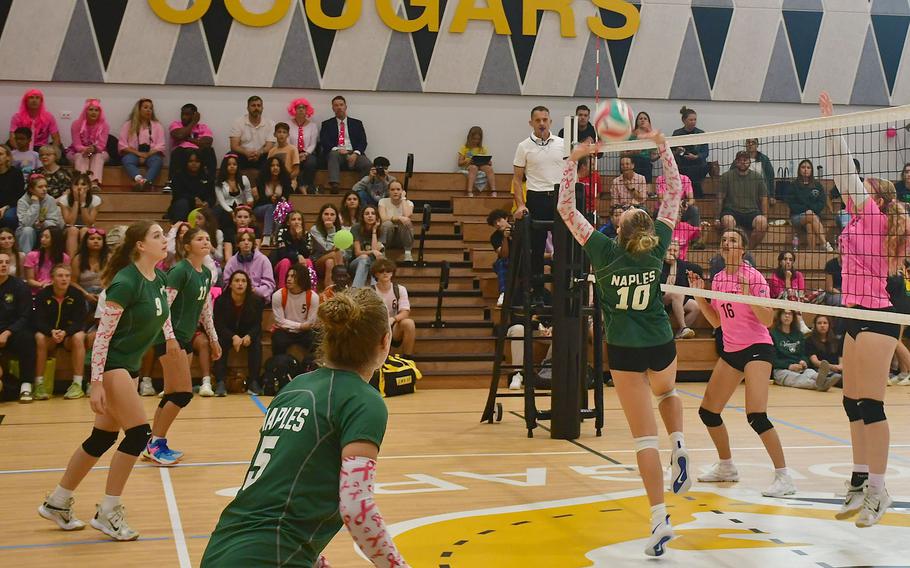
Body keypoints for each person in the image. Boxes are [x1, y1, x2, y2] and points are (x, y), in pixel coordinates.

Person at [202, 286, 406, 567]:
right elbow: (357, 506)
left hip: (223, 548)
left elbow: (278, 485)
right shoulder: (364, 401)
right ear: (385, 341)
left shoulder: (294, 387)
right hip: (270, 556)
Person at [557, 132, 689, 557]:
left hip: (626, 350)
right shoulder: (658, 247)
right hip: (661, 341)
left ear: (619, 228)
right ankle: (682, 444)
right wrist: (661, 147)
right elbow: (675, 191)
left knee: (643, 442)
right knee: (668, 392)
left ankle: (657, 520)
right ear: (646, 228)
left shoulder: (602, 250)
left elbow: (565, 208)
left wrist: (574, 157)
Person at [39, 220, 171, 541]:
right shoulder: (125, 283)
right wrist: (96, 382)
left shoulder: (159, 278)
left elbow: (160, 317)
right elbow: (101, 337)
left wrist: (173, 346)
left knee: (101, 439)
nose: (164, 239)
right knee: (139, 434)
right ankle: (109, 511)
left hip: (129, 366)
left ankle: (58, 501)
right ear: (140, 245)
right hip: (112, 366)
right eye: (156, 236)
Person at [820, 91, 907, 526]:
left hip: (879, 313)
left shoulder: (872, 215)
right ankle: (858, 482)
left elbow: (842, 172)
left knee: (871, 404)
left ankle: (879, 489)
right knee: (851, 402)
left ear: (879, 198)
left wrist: (833, 129)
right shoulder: (857, 221)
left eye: (867, 187)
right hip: (855, 312)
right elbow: (844, 178)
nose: (859, 189)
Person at [688, 228, 797, 497]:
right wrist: (700, 295)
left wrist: (749, 294)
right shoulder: (719, 278)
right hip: (732, 349)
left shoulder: (754, 277)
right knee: (708, 412)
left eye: (733, 240)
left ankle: (784, 477)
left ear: (743, 249)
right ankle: (726, 467)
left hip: (758, 349)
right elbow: (717, 322)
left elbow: (767, 320)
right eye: (723, 239)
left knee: (756, 416)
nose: (726, 243)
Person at [143, 227, 220, 464]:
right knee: (183, 394)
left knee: (173, 393)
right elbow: (163, 308)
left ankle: (153, 444)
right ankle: (156, 443)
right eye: (199, 239)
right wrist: (170, 338)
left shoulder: (205, 273)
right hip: (170, 338)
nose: (205, 241)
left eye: (207, 238)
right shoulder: (179, 271)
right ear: (187, 246)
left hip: (184, 338)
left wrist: (214, 338)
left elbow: (205, 309)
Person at [513, 106, 565, 300]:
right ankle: (537, 291)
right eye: (538, 120)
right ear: (531, 123)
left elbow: (572, 171)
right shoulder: (523, 146)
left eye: (545, 119)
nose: (542, 123)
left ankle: (563, 289)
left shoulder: (562, 144)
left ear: (550, 121)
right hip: (536, 197)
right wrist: (520, 204)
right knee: (537, 246)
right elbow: (517, 179)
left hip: (559, 197)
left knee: (564, 245)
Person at [33, 264, 88, 401]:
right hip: (49, 335)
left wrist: (65, 332)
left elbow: (80, 321)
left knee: (79, 337)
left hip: (68, 336)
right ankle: (39, 385)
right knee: (39, 337)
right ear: (52, 278)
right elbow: (37, 321)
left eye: (67, 276)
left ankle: (77, 384)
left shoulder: (77, 295)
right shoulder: (42, 295)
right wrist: (51, 331)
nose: (64, 279)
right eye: (60, 276)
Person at [213, 270, 264, 396]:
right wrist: (233, 337)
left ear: (247, 284)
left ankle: (253, 382)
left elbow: (257, 325)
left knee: (256, 343)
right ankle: (220, 382)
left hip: (247, 333)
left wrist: (249, 336)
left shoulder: (256, 301)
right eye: (236, 281)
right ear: (230, 284)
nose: (240, 284)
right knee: (219, 342)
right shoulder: (220, 301)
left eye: (243, 281)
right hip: (227, 334)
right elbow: (219, 325)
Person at [770, 309, 836, 391]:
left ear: (794, 317)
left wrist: (803, 362)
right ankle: (820, 384)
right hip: (781, 370)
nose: (787, 316)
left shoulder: (799, 334)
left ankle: (825, 379)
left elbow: (804, 354)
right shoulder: (773, 334)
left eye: (790, 314)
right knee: (796, 378)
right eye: (784, 313)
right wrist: (789, 366)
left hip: (799, 368)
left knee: (810, 372)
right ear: (779, 316)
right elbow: (772, 359)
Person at [0, 252, 36, 402]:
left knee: (27, 338)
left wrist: (7, 332)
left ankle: (26, 385)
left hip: (13, 331)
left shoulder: (19, 286)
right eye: (0, 262)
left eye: (6, 262)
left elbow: (25, 316)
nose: (3, 265)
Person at [717, 150, 769, 248]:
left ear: (750, 162)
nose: (743, 162)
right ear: (736, 162)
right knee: (728, 220)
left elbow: (764, 198)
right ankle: (732, 249)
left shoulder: (757, 177)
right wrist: (716, 218)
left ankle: (747, 250)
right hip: (731, 210)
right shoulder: (726, 176)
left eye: (745, 160)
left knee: (762, 222)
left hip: (752, 211)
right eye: (740, 160)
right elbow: (720, 198)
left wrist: (765, 216)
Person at [319, 95, 371, 193]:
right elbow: (324, 141)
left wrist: (355, 154)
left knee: (367, 164)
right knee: (333, 155)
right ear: (333, 108)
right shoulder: (327, 124)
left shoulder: (357, 123)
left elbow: (363, 141)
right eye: (336, 105)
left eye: (341, 105)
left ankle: (361, 188)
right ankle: (334, 185)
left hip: (353, 152)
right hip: (337, 152)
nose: (339, 107)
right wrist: (337, 149)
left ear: (345, 107)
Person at [270, 263, 318, 361]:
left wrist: (303, 327)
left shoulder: (313, 297)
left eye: (293, 276)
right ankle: (280, 367)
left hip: (305, 332)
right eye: (288, 275)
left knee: (316, 339)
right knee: (278, 340)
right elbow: (280, 321)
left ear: (302, 278)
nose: (288, 279)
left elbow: (311, 322)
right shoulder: (278, 295)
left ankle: (311, 367)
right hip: (285, 331)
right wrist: (300, 326)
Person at [371, 258, 415, 359]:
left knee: (409, 323)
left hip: (393, 326)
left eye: (388, 271)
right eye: (381, 271)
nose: (385, 273)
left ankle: (407, 360)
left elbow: (405, 312)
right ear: (376, 274)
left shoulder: (400, 289)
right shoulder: (370, 291)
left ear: (392, 273)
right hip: (376, 326)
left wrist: (392, 319)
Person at [118, 99, 166, 191]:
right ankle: (140, 180)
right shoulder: (128, 125)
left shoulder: (157, 125)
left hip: (151, 154)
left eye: (151, 108)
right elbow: (122, 145)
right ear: (138, 110)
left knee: (158, 161)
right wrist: (139, 154)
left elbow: (161, 145)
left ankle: (147, 181)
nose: (149, 110)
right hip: (134, 154)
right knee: (126, 159)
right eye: (145, 107)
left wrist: (147, 154)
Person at [785, 159, 833, 251]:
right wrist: (807, 209)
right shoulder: (793, 185)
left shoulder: (817, 185)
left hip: (814, 217)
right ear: (799, 170)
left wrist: (810, 210)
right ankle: (824, 243)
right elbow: (792, 205)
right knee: (810, 215)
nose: (806, 170)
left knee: (809, 225)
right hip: (797, 217)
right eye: (803, 167)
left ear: (811, 170)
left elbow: (821, 203)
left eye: (808, 167)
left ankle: (811, 252)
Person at [214, 154, 254, 257]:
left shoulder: (244, 179)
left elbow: (248, 195)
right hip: (226, 208)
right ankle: (226, 239)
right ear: (225, 167)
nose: (232, 166)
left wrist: (250, 202)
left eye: (234, 164)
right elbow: (221, 201)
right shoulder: (219, 182)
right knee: (221, 213)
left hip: (240, 206)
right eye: (229, 164)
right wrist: (231, 212)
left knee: (243, 214)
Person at [223, 229, 276, 303]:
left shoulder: (263, 260)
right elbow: (227, 283)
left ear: (253, 243)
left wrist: (255, 290)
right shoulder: (231, 262)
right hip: (236, 296)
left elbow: (269, 285)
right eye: (243, 240)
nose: (246, 243)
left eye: (249, 240)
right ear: (238, 244)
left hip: (256, 297)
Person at [168, 103, 216, 183]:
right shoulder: (176, 124)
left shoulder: (203, 127)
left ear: (195, 115)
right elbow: (179, 135)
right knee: (177, 151)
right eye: (182, 114)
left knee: (210, 151)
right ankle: (172, 182)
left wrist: (187, 138)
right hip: (182, 152)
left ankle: (210, 182)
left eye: (187, 114)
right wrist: (193, 122)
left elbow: (207, 143)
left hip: (199, 152)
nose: (184, 117)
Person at [661, 240, 700, 339]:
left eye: (675, 250)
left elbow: (682, 286)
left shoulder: (681, 265)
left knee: (695, 307)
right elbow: (662, 285)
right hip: (660, 297)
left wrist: (674, 265)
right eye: (669, 250)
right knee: (676, 294)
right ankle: (683, 327)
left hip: (676, 299)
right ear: (664, 251)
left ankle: (679, 334)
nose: (672, 252)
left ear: (679, 252)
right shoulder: (659, 263)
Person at [58, 173, 102, 258]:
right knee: (73, 230)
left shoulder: (96, 200)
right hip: (68, 229)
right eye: (76, 184)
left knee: (85, 230)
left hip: (88, 228)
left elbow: (88, 223)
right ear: (71, 187)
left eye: (83, 184)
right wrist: (76, 201)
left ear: (89, 187)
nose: (79, 187)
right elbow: (70, 222)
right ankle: (71, 262)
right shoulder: (64, 200)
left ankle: (83, 261)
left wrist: (83, 202)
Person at [66, 98, 109, 183]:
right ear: (85, 111)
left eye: (96, 110)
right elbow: (77, 144)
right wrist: (85, 150)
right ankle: (82, 182)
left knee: (98, 157)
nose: (93, 112)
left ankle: (94, 183)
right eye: (91, 110)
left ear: (100, 113)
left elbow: (102, 145)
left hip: (98, 151)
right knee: (81, 156)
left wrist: (94, 149)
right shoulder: (76, 124)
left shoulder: (105, 125)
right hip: (77, 151)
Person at [17, 175, 63, 255]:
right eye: (40, 187)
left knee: (51, 233)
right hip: (26, 233)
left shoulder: (50, 200)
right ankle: (27, 260)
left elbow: (55, 223)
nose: (44, 189)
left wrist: (43, 224)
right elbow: (24, 224)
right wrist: (35, 204)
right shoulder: (22, 201)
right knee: (27, 230)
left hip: (44, 230)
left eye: (45, 186)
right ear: (31, 189)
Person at [671, 106, 709, 198]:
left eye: (695, 119)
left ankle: (694, 196)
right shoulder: (677, 134)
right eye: (691, 120)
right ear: (684, 121)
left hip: (698, 164)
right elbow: (671, 152)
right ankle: (694, 195)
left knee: (697, 171)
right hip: (682, 163)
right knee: (685, 171)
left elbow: (705, 153)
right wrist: (677, 151)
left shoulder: (701, 133)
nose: (693, 122)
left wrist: (696, 157)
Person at [229, 96, 275, 172]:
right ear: (247, 108)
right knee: (230, 155)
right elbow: (234, 146)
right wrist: (246, 152)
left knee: (272, 157)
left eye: (258, 105)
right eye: (253, 105)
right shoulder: (238, 122)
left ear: (262, 108)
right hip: (243, 155)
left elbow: (269, 146)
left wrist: (259, 153)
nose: (256, 108)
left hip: (262, 155)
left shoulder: (270, 124)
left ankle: (264, 183)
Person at [271, 209, 314, 289]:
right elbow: (282, 254)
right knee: (285, 262)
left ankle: (310, 290)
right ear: (288, 223)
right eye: (293, 219)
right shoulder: (282, 232)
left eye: (299, 219)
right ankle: (282, 290)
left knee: (308, 261)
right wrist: (297, 256)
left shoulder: (306, 234)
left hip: (298, 264)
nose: (297, 222)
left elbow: (307, 254)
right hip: (282, 264)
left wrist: (299, 238)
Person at [167, 150, 214, 223]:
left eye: (197, 161)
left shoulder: (207, 177)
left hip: (202, 207)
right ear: (186, 162)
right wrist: (194, 199)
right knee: (182, 203)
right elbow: (178, 194)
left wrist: (207, 203)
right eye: (191, 161)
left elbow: (212, 196)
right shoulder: (178, 176)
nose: (194, 164)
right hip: (184, 206)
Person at [9, 89, 61, 153]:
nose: (34, 100)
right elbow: (12, 138)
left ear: (41, 101)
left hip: (41, 147)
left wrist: (51, 152)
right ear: (26, 101)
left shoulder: (49, 117)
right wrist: (21, 152)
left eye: (37, 98)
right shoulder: (17, 117)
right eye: (31, 97)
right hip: (21, 146)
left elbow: (56, 138)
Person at [253, 156, 291, 240]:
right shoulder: (261, 180)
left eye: (277, 165)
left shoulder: (285, 180)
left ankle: (276, 236)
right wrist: (270, 199)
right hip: (261, 207)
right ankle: (267, 236)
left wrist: (278, 199)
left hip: (278, 207)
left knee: (283, 207)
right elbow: (261, 199)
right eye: (272, 165)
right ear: (268, 167)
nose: (275, 168)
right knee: (271, 207)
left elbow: (286, 197)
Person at [286, 97, 319, 194]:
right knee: (295, 164)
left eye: (303, 108)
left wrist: (305, 154)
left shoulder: (313, 126)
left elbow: (313, 144)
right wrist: (296, 154)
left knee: (311, 163)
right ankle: (300, 188)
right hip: (292, 152)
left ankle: (308, 186)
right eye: (298, 107)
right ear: (294, 110)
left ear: (307, 110)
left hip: (307, 153)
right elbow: (287, 142)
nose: (301, 110)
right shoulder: (288, 124)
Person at [23, 226, 69, 294]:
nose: (42, 239)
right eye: (42, 236)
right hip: (37, 292)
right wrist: (42, 285)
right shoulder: (31, 255)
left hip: (57, 291)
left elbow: (65, 278)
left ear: (55, 239)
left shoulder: (64, 258)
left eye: (46, 237)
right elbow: (30, 280)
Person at [309, 203, 346, 289]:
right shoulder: (315, 229)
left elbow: (345, 253)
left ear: (336, 217)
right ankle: (342, 282)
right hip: (318, 261)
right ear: (321, 216)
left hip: (336, 261)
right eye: (326, 214)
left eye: (332, 214)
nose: (329, 217)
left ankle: (328, 292)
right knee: (334, 253)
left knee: (330, 261)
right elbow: (327, 248)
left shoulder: (342, 230)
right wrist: (331, 230)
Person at [379, 180, 415, 262]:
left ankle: (408, 253)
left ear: (402, 191)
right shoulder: (383, 201)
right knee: (387, 224)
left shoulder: (409, 203)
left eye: (398, 189)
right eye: (392, 190)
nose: (395, 192)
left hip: (402, 238)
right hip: (387, 236)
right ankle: (382, 251)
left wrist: (403, 199)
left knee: (406, 222)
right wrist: (398, 218)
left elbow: (407, 216)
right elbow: (383, 218)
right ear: (389, 191)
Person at [71, 227, 108, 305]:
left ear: (103, 242)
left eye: (99, 239)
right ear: (86, 242)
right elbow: (72, 282)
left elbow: (113, 280)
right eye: (92, 239)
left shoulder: (109, 258)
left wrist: (102, 295)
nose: (96, 241)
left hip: (105, 292)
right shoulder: (78, 259)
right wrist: (86, 295)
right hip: (84, 293)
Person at [458, 126, 497, 196]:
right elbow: (459, 163)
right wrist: (468, 160)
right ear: (469, 137)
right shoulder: (464, 148)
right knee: (474, 168)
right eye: (474, 139)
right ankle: (469, 191)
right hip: (469, 166)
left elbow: (486, 159)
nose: (476, 141)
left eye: (478, 139)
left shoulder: (482, 149)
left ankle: (493, 190)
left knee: (489, 168)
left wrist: (488, 162)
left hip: (481, 165)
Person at [350, 205, 383, 288]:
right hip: (356, 264)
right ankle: (355, 292)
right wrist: (372, 251)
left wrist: (374, 231)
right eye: (367, 213)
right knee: (364, 258)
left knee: (377, 259)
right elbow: (357, 253)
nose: (370, 216)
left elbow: (375, 252)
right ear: (362, 217)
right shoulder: (356, 228)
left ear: (377, 217)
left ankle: (374, 290)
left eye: (373, 213)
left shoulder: (381, 229)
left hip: (373, 265)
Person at [807, 314, 843, 387]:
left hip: (837, 370)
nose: (822, 325)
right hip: (820, 371)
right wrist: (832, 367)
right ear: (815, 325)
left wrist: (840, 367)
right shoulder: (809, 340)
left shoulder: (835, 340)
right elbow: (815, 362)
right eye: (819, 323)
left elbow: (841, 359)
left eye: (825, 323)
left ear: (829, 325)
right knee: (843, 381)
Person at [624, 111, 659, 182]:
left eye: (645, 118)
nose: (643, 120)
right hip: (633, 162)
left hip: (646, 164)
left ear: (649, 122)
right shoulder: (631, 135)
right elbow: (622, 153)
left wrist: (660, 155)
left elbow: (652, 157)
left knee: (646, 162)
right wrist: (632, 153)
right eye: (640, 118)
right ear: (637, 121)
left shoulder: (652, 137)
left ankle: (647, 190)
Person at [487, 209, 511, 306]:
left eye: (499, 220)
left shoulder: (519, 229)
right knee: (501, 263)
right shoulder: (495, 237)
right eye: (494, 223)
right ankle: (503, 292)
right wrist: (505, 238)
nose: (497, 224)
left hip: (522, 258)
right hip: (507, 260)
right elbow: (504, 254)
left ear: (506, 218)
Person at [267, 122, 301, 188]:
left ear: (288, 135)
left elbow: (296, 170)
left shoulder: (293, 149)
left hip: (289, 180)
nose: (281, 134)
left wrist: (286, 179)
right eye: (279, 132)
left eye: (284, 132)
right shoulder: (272, 151)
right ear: (274, 134)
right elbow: (268, 168)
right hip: (274, 180)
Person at [0, 146, 25, 228]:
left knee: (8, 217)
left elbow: (20, 195)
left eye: (0, 154)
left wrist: (6, 207)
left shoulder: (16, 173)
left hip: (12, 205)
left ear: (7, 157)